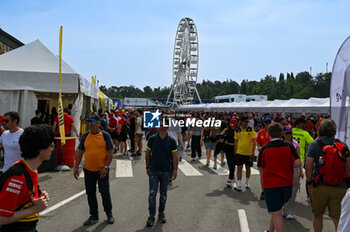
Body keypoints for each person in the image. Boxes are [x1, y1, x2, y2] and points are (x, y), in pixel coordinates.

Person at [0, 125, 54, 231]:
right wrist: (35, 208)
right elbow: (1, 218)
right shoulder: (17, 177)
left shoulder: (30, 168)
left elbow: (24, 198)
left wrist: (38, 197)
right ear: (40, 150)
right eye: (51, 146)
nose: (52, 149)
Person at [305, 119, 350, 232]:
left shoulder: (315, 145)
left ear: (320, 130)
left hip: (320, 185)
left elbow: (309, 166)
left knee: (318, 215)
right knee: (338, 217)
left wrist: (309, 182)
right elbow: (348, 167)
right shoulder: (342, 145)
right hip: (340, 186)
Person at [258, 122, 301, 232]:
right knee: (277, 210)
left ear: (269, 134)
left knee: (276, 213)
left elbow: (261, 169)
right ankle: (270, 230)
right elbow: (298, 162)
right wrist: (287, 165)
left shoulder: (264, 149)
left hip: (271, 185)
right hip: (286, 184)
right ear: (281, 133)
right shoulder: (289, 146)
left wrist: (263, 187)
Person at [74, 115, 115, 226]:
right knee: (90, 194)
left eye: (93, 122)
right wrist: (76, 167)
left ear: (98, 123)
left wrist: (106, 167)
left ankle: (109, 213)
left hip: (102, 170)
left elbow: (110, 152)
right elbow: (80, 152)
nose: (90, 125)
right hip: (88, 170)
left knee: (105, 192)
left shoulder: (105, 135)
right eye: (89, 123)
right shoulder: (85, 136)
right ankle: (94, 216)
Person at [145, 120, 178, 227]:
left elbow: (175, 156)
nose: (162, 127)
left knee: (163, 194)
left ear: (168, 127)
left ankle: (161, 213)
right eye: (160, 125)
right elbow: (148, 153)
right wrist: (147, 166)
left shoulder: (172, 140)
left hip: (166, 171)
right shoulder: (152, 139)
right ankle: (151, 215)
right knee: (152, 194)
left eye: (164, 125)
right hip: (154, 170)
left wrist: (175, 170)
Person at [282, 126, 304, 220]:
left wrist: (301, 170)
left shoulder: (295, 144)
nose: (288, 135)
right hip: (283, 169)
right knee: (283, 190)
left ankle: (289, 211)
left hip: (294, 169)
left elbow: (298, 158)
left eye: (290, 133)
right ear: (283, 134)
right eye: (287, 133)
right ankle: (284, 209)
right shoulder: (280, 143)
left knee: (293, 190)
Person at [234, 116, 257, 191]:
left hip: (248, 153)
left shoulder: (251, 130)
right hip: (240, 152)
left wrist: (253, 152)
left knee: (248, 168)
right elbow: (236, 141)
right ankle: (239, 184)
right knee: (239, 168)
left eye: (247, 122)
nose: (246, 123)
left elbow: (254, 141)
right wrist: (235, 151)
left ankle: (247, 182)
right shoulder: (237, 130)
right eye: (245, 122)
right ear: (241, 122)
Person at [257, 115, 272, 200]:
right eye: (266, 122)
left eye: (269, 122)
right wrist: (259, 147)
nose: (268, 124)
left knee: (270, 174)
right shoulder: (260, 132)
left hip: (271, 157)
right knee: (262, 175)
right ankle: (263, 191)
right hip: (262, 156)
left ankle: (270, 190)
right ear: (264, 123)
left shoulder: (273, 132)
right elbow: (258, 143)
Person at [221, 118, 237, 187]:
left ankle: (230, 178)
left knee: (233, 164)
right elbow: (221, 136)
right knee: (229, 163)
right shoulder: (227, 130)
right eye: (231, 125)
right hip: (228, 148)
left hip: (235, 148)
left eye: (233, 125)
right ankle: (232, 175)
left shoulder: (238, 131)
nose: (232, 126)